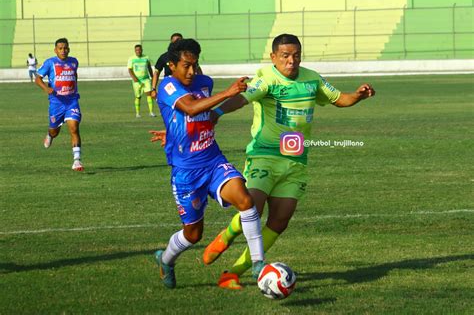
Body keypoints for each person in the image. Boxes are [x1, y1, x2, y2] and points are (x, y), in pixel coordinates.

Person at [201, 33, 376, 289]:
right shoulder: (266, 79)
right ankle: (224, 238)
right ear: (274, 57)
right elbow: (240, 99)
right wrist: (216, 112)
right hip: (265, 157)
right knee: (253, 209)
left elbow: (340, 99)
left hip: (296, 162)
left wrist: (358, 95)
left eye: (295, 55)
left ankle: (233, 273)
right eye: (285, 56)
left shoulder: (312, 79)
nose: (291, 61)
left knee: (279, 221)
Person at [150, 38, 265, 289]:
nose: (192, 71)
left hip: (213, 161)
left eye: (195, 65)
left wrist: (173, 131)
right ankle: (166, 260)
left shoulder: (204, 82)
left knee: (245, 201)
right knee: (193, 234)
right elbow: (190, 109)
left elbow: (204, 115)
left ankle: (258, 264)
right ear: (172, 65)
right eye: (186, 66)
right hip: (186, 173)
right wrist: (228, 92)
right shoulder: (167, 86)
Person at [35, 38, 84, 171]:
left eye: (65, 48)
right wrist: (46, 89)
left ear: (69, 49)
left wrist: (73, 89)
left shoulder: (74, 62)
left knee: (74, 128)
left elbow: (74, 76)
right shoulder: (50, 63)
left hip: (72, 101)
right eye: (60, 48)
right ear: (55, 50)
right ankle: (50, 135)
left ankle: (77, 161)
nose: (63, 51)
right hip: (56, 103)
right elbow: (38, 78)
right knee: (55, 131)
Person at [127, 44, 155, 118]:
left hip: (146, 79)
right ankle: (137, 113)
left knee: (149, 94)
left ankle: (151, 112)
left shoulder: (146, 58)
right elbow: (130, 69)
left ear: (142, 50)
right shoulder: (131, 59)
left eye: (139, 50)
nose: (138, 51)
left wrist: (152, 77)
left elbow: (149, 68)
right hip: (137, 81)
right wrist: (134, 78)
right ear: (135, 51)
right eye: (136, 50)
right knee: (138, 97)